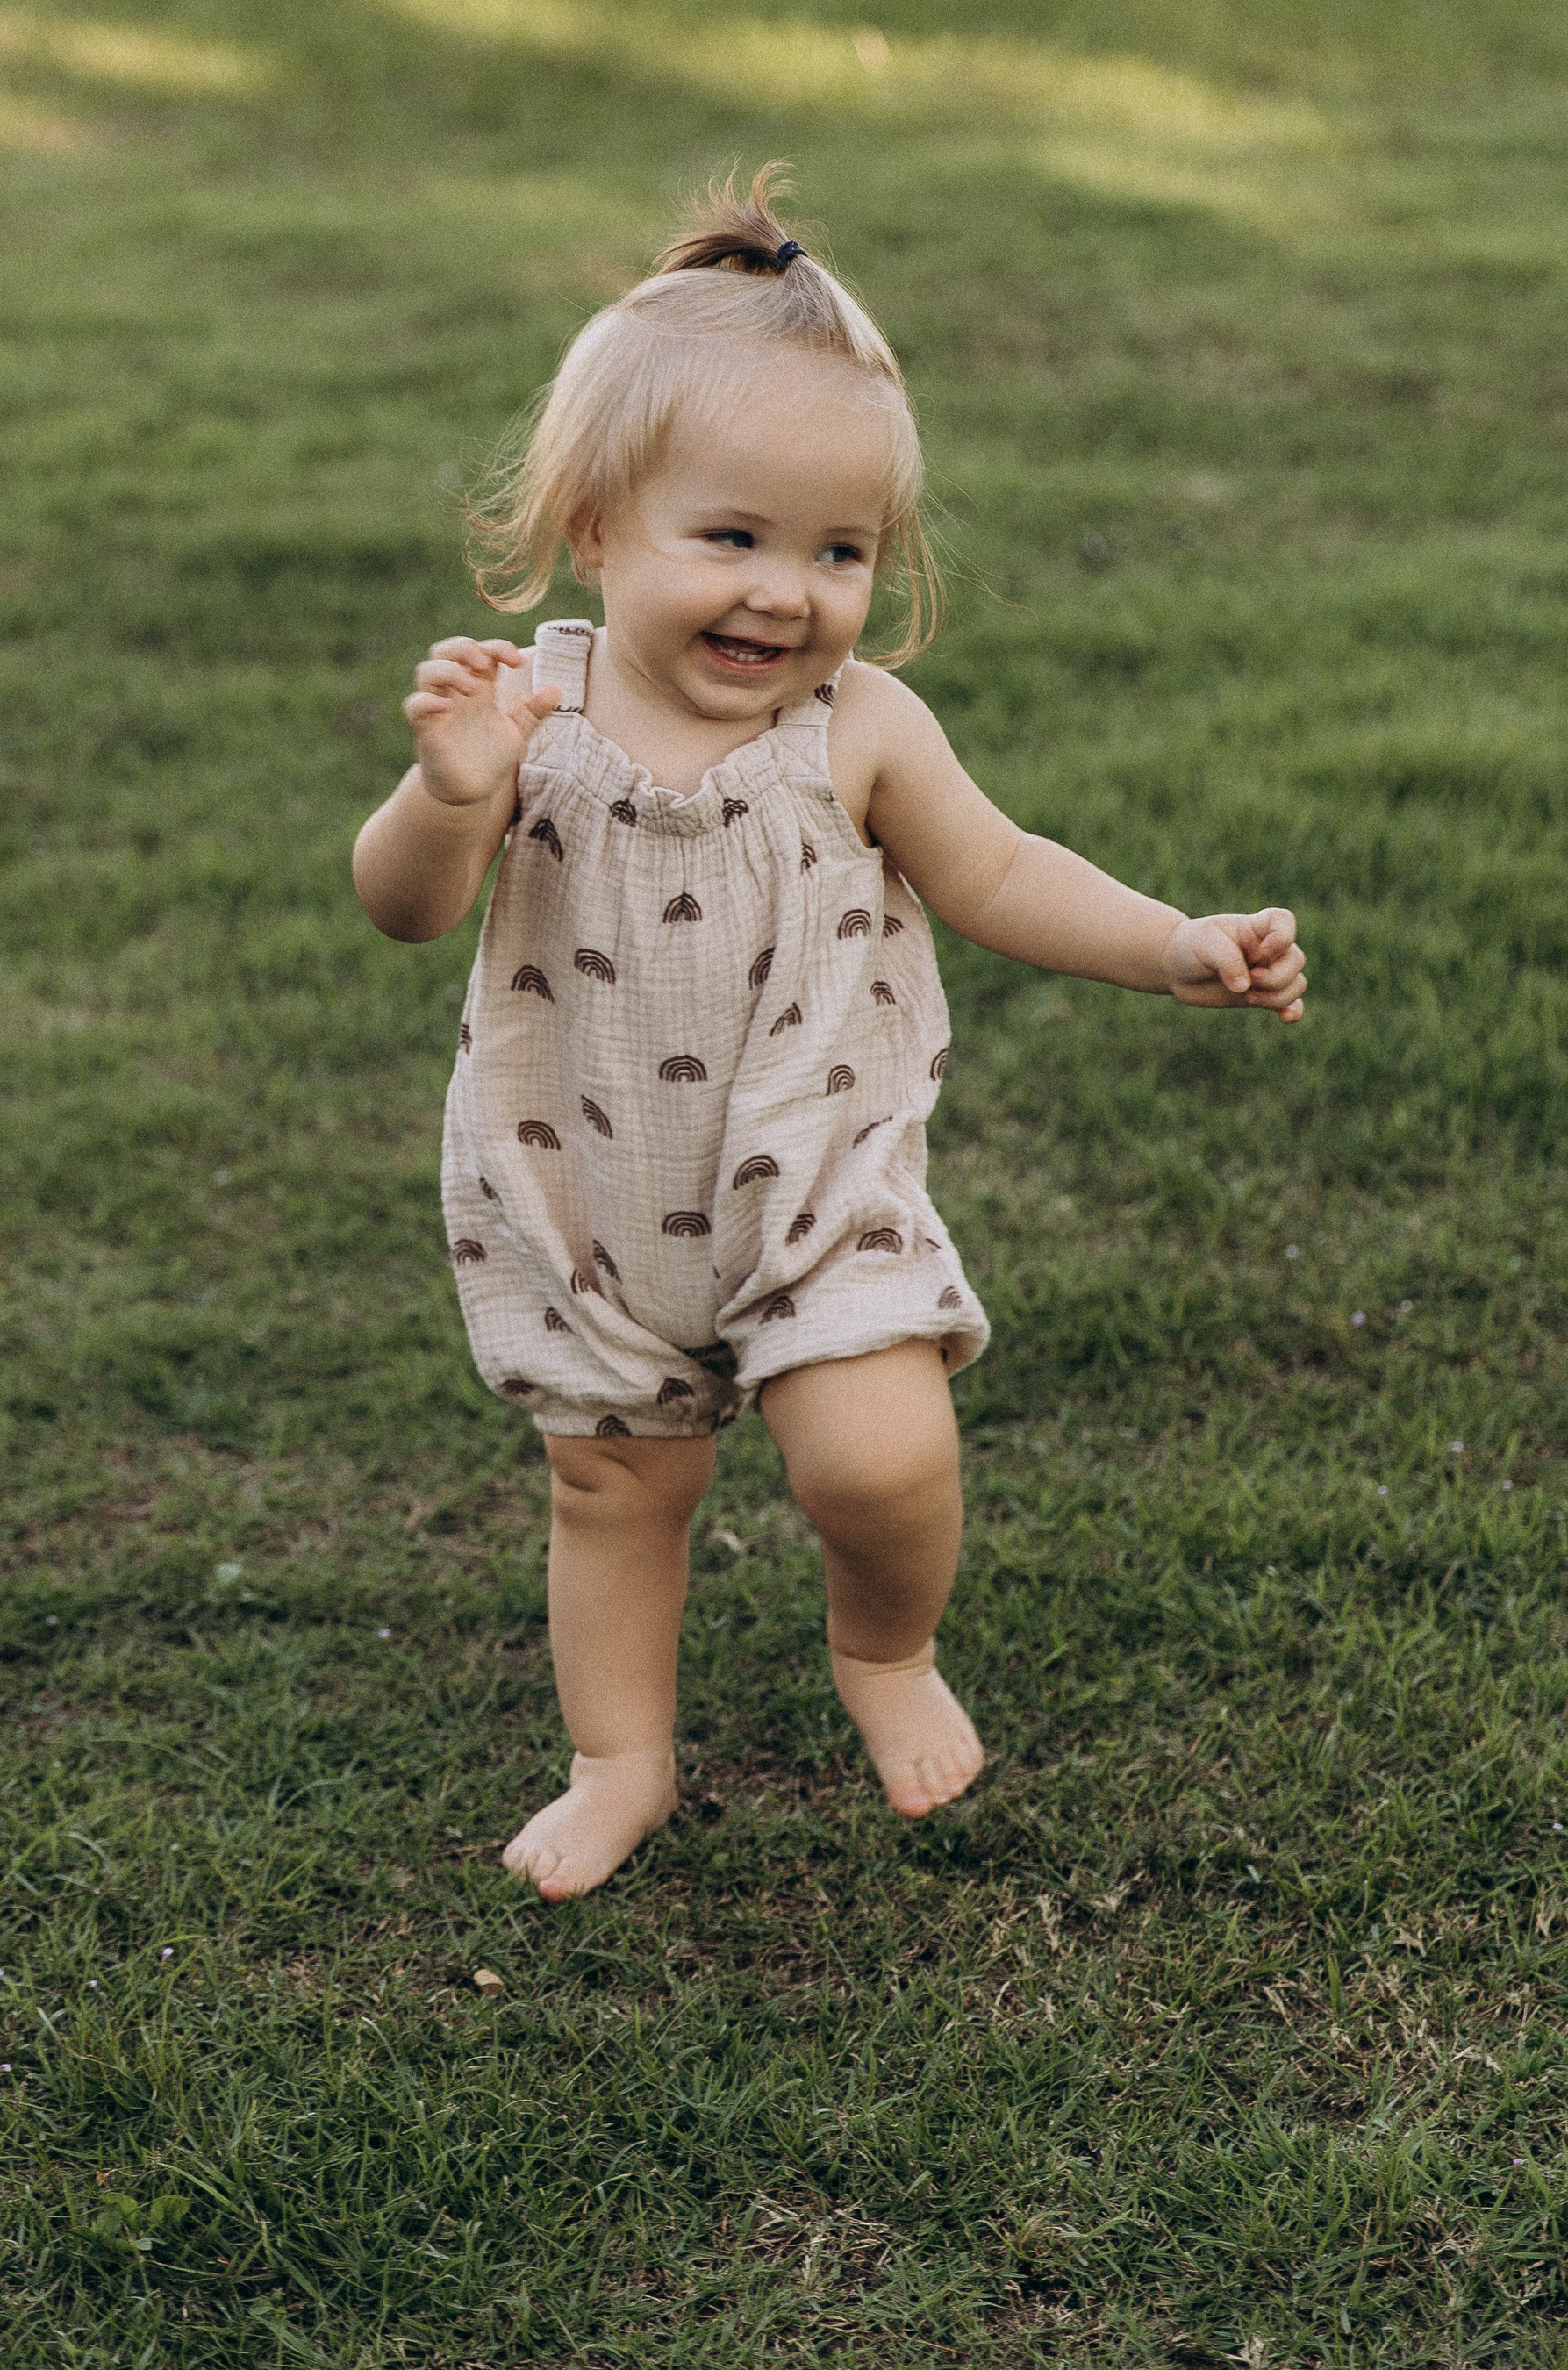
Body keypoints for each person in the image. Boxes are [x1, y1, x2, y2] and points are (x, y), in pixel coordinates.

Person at [351, 170, 1307, 1904]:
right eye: (731, 539)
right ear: (594, 528)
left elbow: (995, 870)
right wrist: (445, 793)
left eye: (837, 552)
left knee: (879, 1454)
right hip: (588, 1194)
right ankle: (620, 1759)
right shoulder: (530, 721)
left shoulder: (857, 726)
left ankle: (884, 1646)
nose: (784, 593)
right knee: (612, 1490)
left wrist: (1167, 943)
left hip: (813, 1178)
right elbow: (405, 908)